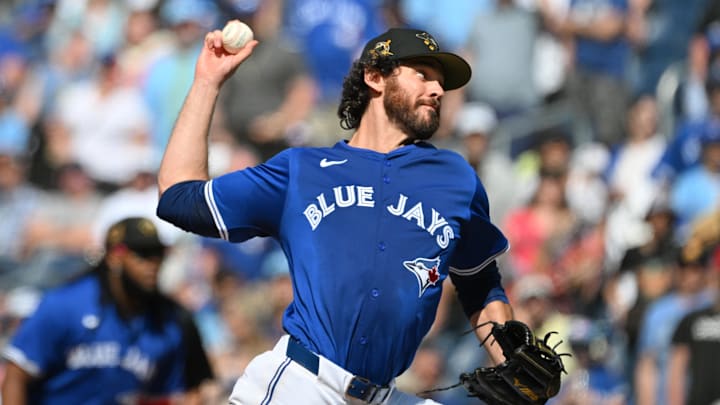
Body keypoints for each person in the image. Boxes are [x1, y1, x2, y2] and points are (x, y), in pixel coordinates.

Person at [156, 26, 514, 404]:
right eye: (423, 75)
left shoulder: (455, 179)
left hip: (383, 395)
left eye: (441, 82)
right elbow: (179, 197)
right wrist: (207, 83)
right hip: (301, 386)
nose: (438, 90)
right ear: (375, 77)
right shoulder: (304, 170)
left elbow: (479, 281)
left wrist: (512, 364)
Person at [0, 217, 214, 404]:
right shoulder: (65, 306)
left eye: (158, 254)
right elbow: (16, 374)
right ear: (114, 257)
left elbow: (177, 393)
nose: (153, 263)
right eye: (142, 254)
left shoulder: (168, 321)